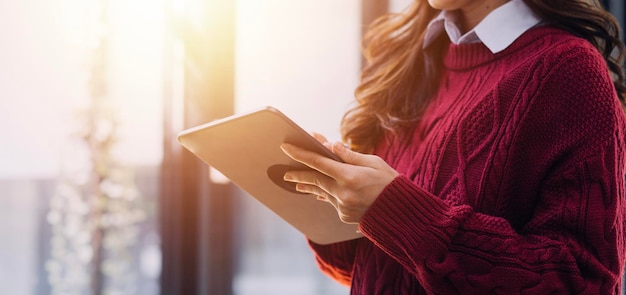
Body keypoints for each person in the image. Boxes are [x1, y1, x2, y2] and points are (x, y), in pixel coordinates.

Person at [279, 0, 626, 293]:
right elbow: (377, 271)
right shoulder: (410, 57)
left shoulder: (568, 70)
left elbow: (583, 284)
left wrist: (396, 212)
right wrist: (333, 198)